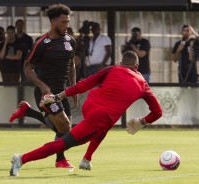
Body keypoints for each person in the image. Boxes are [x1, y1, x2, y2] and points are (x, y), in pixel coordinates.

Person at [9, 51, 162, 176]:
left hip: (89, 105)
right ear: (137, 65)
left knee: (105, 124)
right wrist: (142, 121)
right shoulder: (143, 83)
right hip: (100, 117)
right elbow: (158, 112)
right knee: (63, 143)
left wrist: (58, 97)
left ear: (122, 63)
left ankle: (87, 159)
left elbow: (86, 83)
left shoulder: (113, 68)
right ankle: (21, 159)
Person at [9, 3, 77, 169]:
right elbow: (28, 68)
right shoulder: (42, 43)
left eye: (68, 22)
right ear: (53, 21)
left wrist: (73, 88)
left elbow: (72, 64)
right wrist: (42, 86)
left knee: (64, 129)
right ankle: (60, 160)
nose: (66, 25)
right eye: (63, 22)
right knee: (65, 127)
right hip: (45, 94)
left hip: (62, 93)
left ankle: (28, 111)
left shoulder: (70, 41)